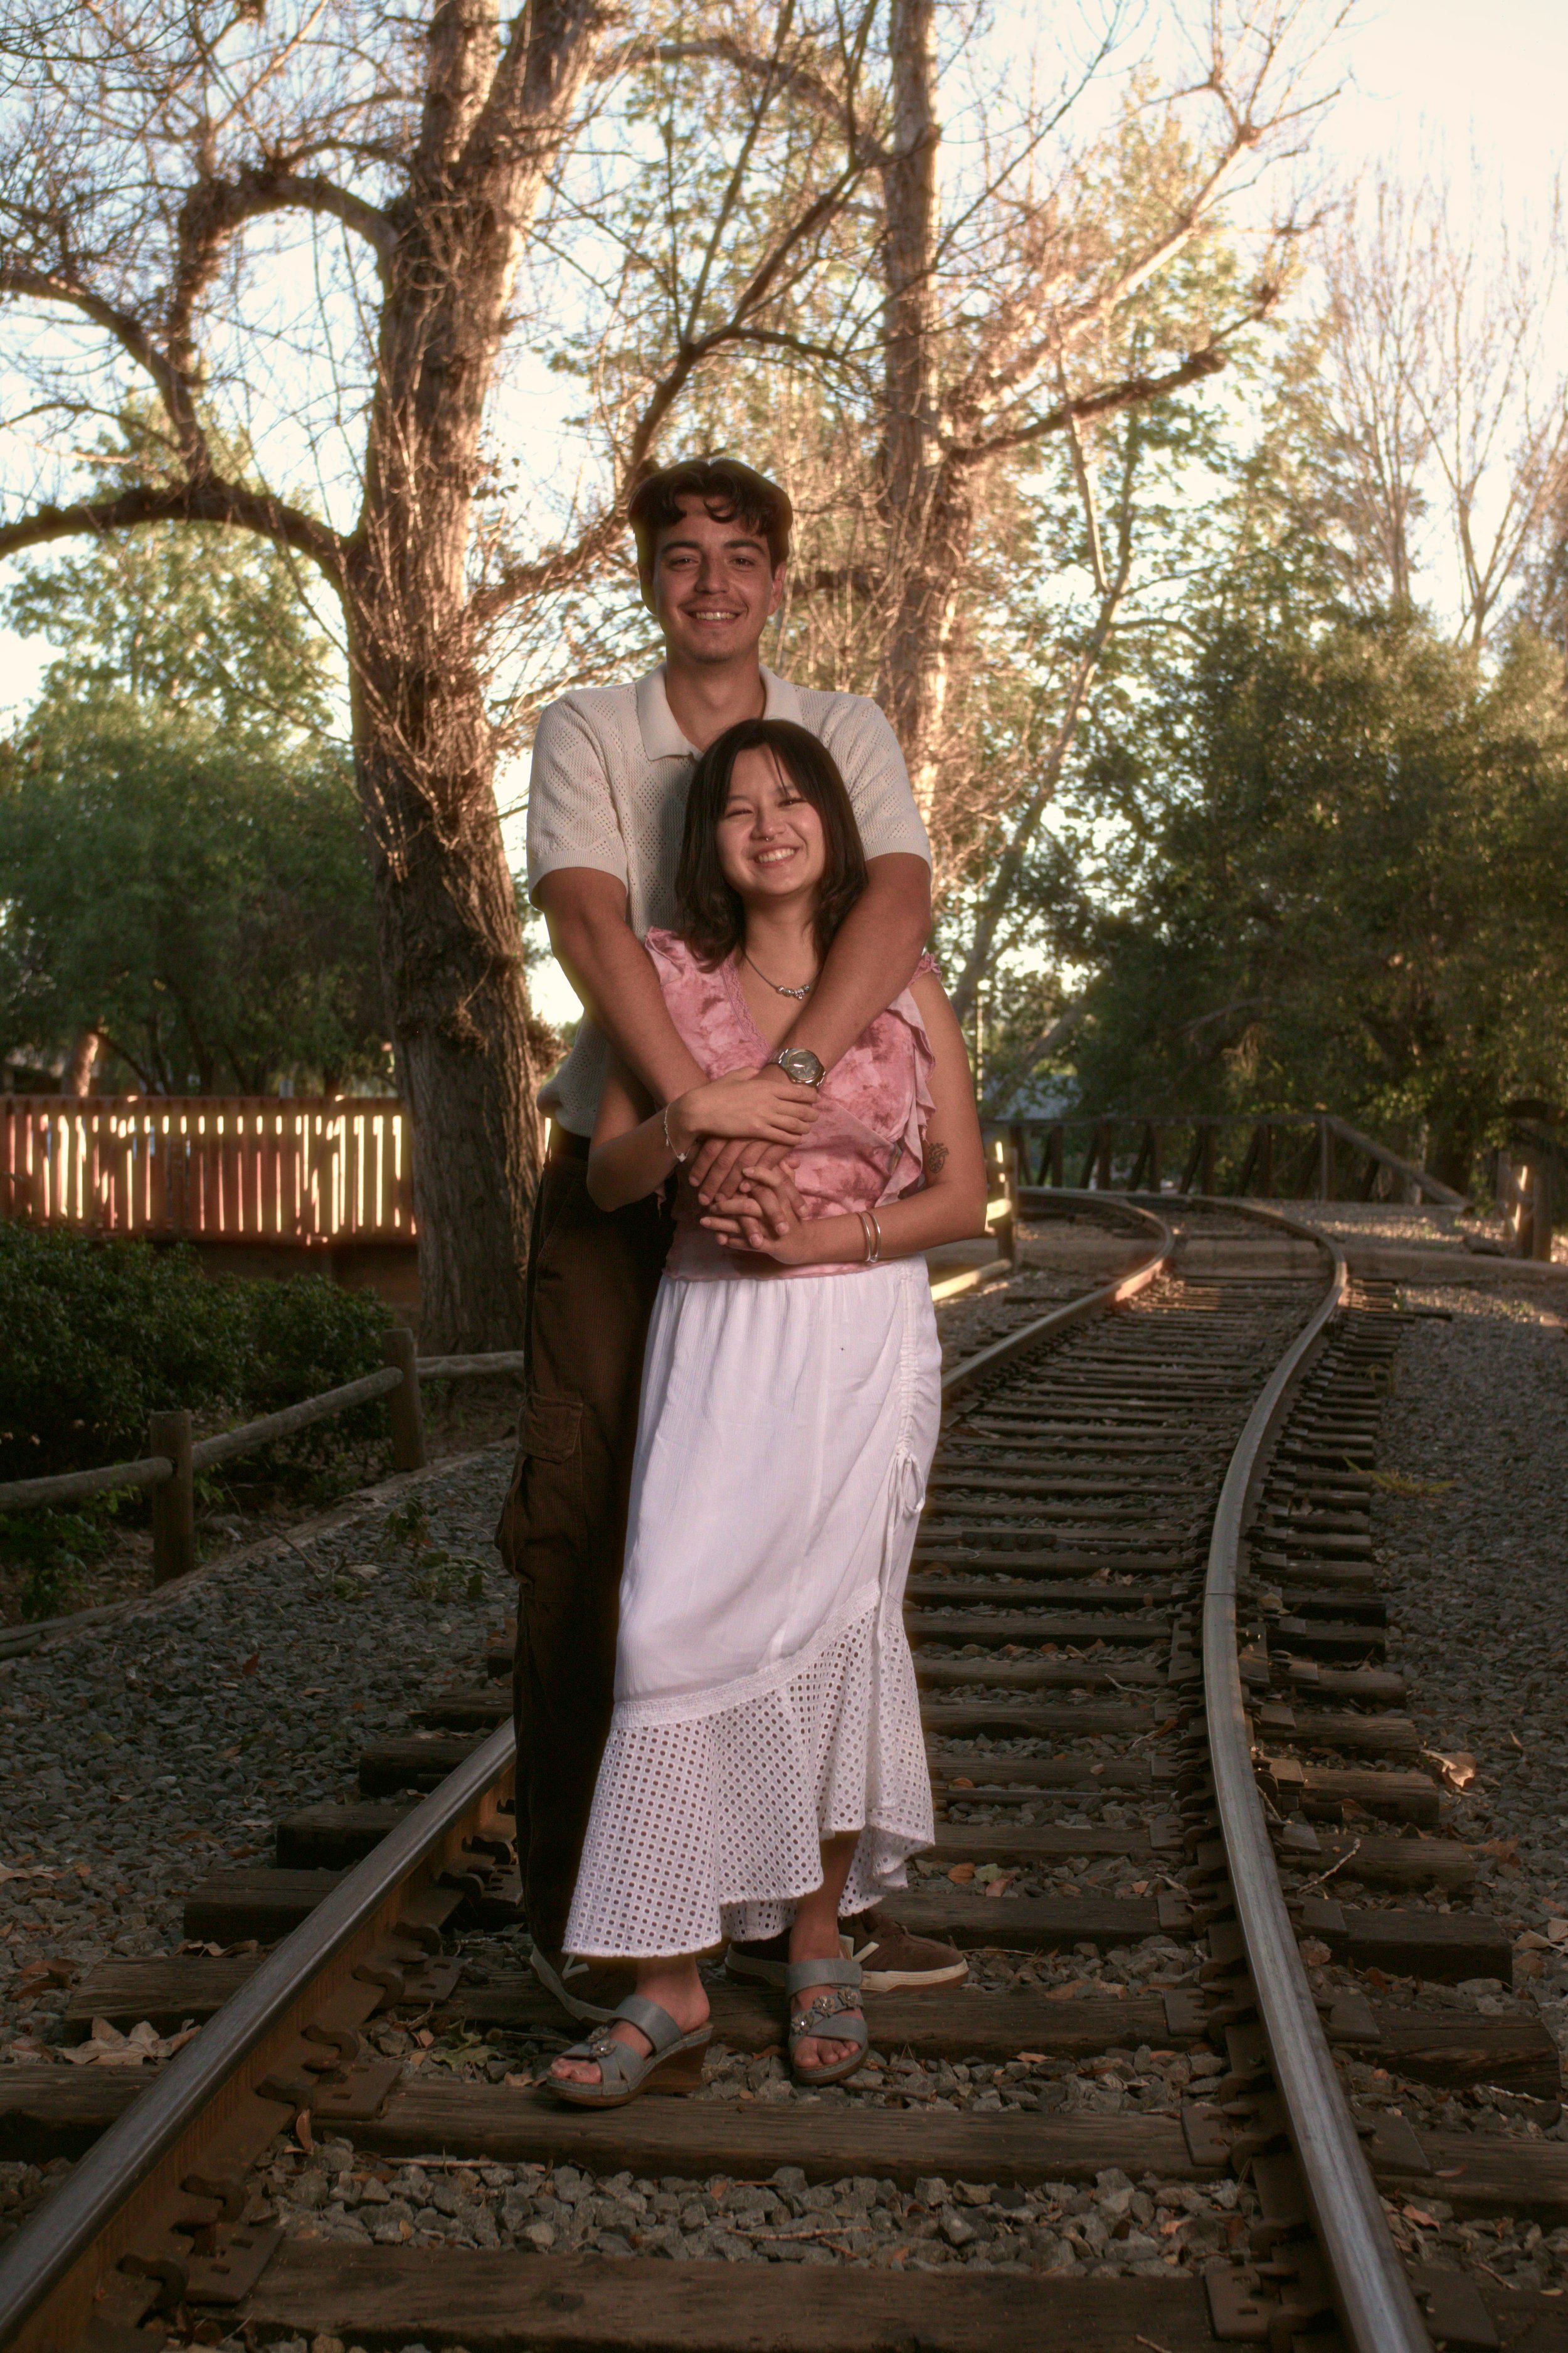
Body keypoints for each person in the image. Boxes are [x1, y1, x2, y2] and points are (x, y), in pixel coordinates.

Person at [500, 456, 967, 2019]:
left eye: (740, 556)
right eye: (681, 556)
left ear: (776, 578)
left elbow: (894, 904)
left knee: (807, 1559)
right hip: (634, 1161)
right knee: (591, 1533)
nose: (711, 581)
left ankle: (797, 1905)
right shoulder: (590, 730)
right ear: (650, 577)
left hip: (805, 1161)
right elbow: (582, 919)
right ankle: (609, 1916)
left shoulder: (841, 729)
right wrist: (696, 1108)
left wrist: (786, 1093)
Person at [548, 716, 987, 2103]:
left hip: (859, 1329)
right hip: (712, 1327)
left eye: (791, 798)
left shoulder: (906, 987)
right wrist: (683, 1125)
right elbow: (610, 1179)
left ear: (832, 827)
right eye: (736, 806)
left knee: (841, 1624)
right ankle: (665, 1981)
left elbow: (962, 1200)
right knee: (667, 1624)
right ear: (711, 845)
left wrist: (824, 1245)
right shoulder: (670, 986)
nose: (765, 822)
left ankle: (817, 1941)